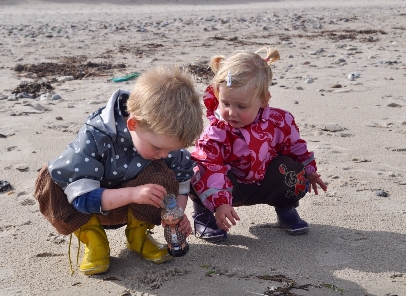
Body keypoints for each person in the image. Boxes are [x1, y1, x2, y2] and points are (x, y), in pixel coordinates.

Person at [34, 66, 204, 275]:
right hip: (86, 207)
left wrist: (177, 215)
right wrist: (133, 194)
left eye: (171, 149)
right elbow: (81, 198)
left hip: (134, 209)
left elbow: (182, 178)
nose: (164, 153)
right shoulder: (96, 136)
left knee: (165, 171)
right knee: (52, 180)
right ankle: (94, 239)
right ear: (133, 124)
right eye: (159, 148)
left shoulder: (162, 140)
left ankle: (138, 235)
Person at [189, 47, 328, 243]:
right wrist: (220, 203)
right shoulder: (216, 133)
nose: (231, 112)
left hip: (264, 182)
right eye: (225, 103)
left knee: (292, 170)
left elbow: (295, 148)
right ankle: (204, 215)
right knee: (197, 168)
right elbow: (211, 167)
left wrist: (310, 170)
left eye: (241, 106)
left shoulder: (280, 121)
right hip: (229, 186)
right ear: (217, 95)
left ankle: (285, 208)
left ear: (263, 100)